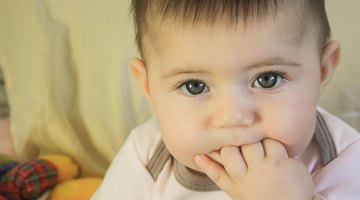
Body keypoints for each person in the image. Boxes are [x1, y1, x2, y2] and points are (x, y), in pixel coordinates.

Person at [93, 0, 360, 199]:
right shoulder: (147, 156)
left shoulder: (343, 159)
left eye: (268, 79)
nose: (232, 116)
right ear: (147, 83)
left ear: (323, 71)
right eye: (194, 86)